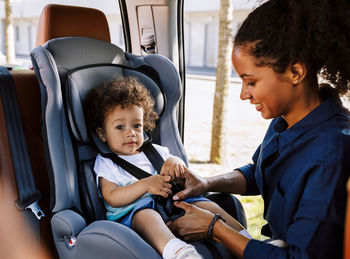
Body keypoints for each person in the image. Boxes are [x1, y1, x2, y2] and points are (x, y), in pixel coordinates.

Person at [168, 0, 350, 258]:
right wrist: (205, 182)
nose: (243, 95)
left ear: (295, 72)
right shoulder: (285, 120)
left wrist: (214, 229)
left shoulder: (331, 152)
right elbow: (260, 173)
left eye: (251, 82)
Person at [83, 77, 245, 259]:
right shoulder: (107, 162)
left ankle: (248, 241)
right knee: (147, 217)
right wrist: (145, 185)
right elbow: (111, 196)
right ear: (102, 134)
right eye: (120, 127)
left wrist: (176, 163)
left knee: (207, 205)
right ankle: (179, 253)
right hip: (134, 213)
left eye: (137, 125)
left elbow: (176, 165)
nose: (131, 132)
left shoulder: (155, 151)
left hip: (172, 202)